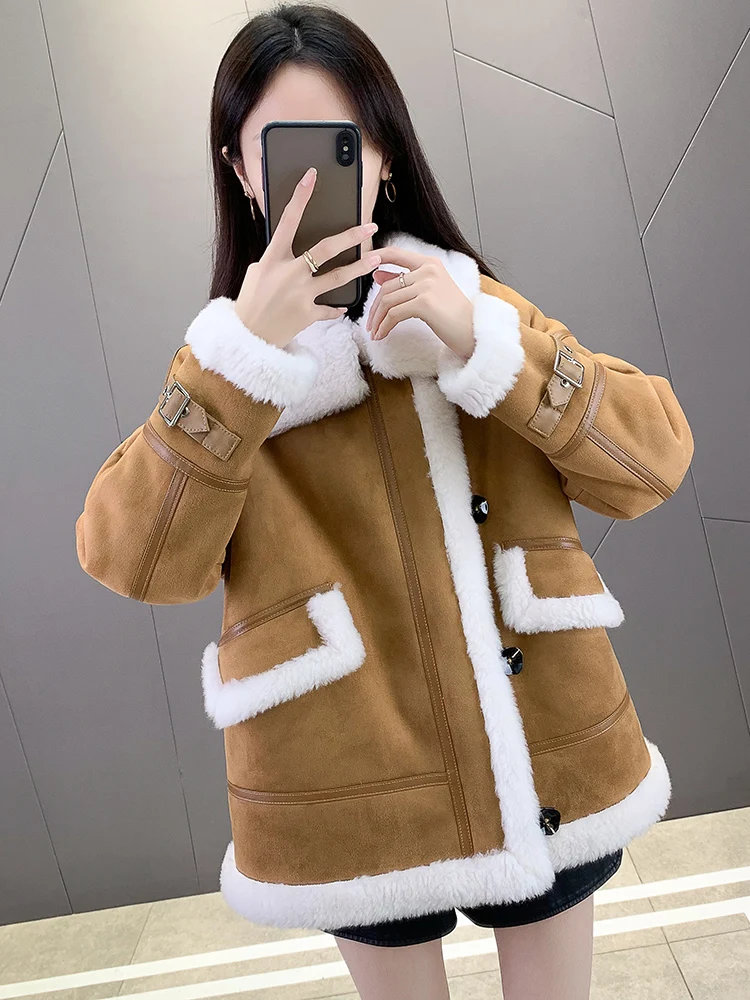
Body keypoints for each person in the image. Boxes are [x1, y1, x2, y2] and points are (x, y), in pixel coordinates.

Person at [74, 4, 695, 999]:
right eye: (280, 150)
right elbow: (136, 558)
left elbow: (652, 459)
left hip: (539, 744)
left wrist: (486, 344)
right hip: (344, 781)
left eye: (343, 144)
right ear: (240, 172)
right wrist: (241, 362)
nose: (314, 180)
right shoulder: (225, 368)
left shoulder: (472, 308)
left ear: (385, 157)